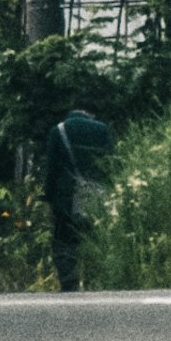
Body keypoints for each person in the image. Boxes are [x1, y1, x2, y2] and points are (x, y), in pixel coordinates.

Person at [40, 103, 115, 290]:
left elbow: (52, 170)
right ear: (89, 113)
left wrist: (48, 198)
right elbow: (112, 165)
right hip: (97, 198)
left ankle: (69, 285)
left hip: (67, 198)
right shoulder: (103, 130)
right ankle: (95, 282)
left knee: (64, 242)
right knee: (94, 239)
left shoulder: (58, 130)